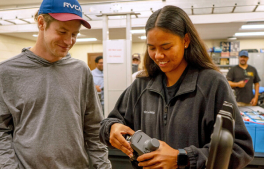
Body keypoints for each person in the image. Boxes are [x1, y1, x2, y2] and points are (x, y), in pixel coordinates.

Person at [99, 5, 253, 169]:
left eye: (166, 47)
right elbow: (107, 124)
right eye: (152, 48)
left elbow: (240, 149)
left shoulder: (212, 84)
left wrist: (183, 158)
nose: (158, 55)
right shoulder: (141, 85)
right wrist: (112, 128)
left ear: (185, 40)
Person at [0, 0, 111, 168]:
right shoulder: (7, 71)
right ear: (41, 23)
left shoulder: (81, 71)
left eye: (74, 34)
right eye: (62, 31)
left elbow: (94, 128)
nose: (68, 41)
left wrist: (103, 166)